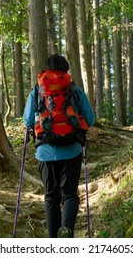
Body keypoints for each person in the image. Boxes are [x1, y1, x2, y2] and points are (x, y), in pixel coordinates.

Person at [23, 54, 94, 238]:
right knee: (69, 194)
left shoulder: (37, 91)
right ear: (66, 70)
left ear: (45, 70)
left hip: (45, 152)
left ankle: (53, 240)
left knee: (51, 196)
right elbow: (90, 118)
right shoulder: (74, 90)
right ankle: (67, 232)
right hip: (71, 149)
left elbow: (28, 120)